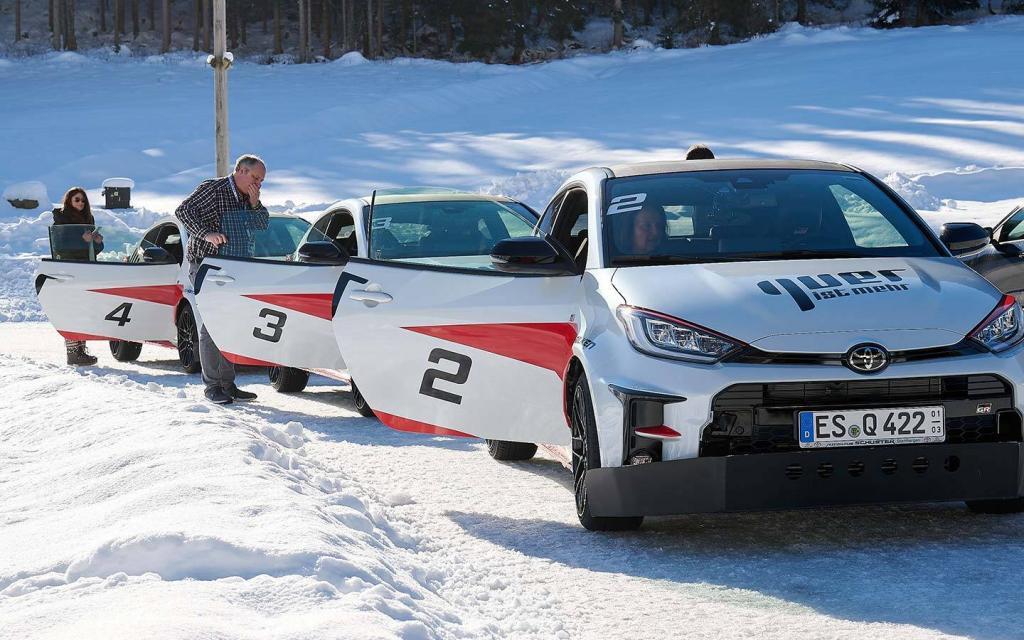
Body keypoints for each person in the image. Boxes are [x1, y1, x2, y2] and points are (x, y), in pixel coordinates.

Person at [176, 154, 269, 405]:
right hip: (208, 267)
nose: (258, 184)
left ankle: (227, 384)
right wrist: (206, 233)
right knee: (212, 323)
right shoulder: (213, 189)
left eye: (261, 181)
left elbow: (262, 225)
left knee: (230, 325)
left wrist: (255, 204)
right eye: (256, 178)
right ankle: (212, 386)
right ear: (241, 170)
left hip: (236, 268)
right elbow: (183, 211)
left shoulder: (248, 197)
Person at [52, 187, 104, 366]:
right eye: (77, 200)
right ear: (69, 201)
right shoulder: (61, 218)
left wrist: (98, 242)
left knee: (84, 308)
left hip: (87, 268)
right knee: (72, 308)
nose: (81, 203)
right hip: (69, 268)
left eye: (83, 200)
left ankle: (81, 349)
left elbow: (93, 249)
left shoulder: (89, 218)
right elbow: (61, 245)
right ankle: (73, 351)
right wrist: (82, 240)